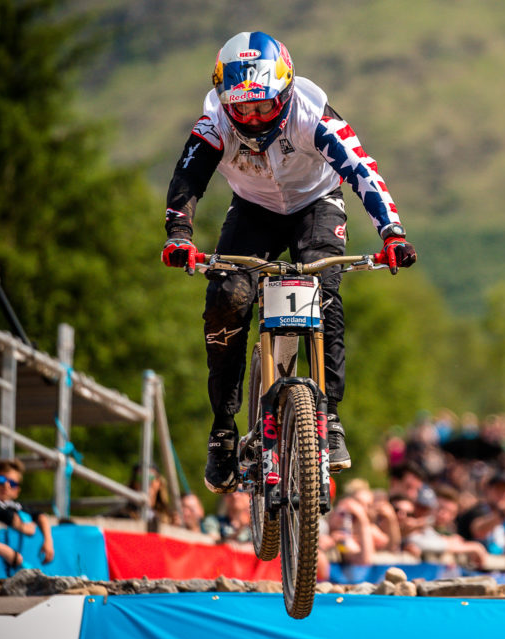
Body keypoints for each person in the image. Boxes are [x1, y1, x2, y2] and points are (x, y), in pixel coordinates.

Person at [159, 31, 417, 493]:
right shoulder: (214, 121)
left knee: (326, 290)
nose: (254, 118)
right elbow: (187, 177)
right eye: (243, 109)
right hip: (253, 209)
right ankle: (223, 430)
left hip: (317, 204)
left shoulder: (312, 114)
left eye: (264, 105)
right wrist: (179, 234)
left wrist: (391, 232)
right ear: (224, 100)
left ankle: (329, 416)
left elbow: (362, 169)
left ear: (286, 90)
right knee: (226, 298)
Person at [0, 459, 55, 571]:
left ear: (17, 491)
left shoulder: (17, 507)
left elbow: (40, 516)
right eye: (1, 479)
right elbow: (5, 515)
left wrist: (48, 541)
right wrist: (6, 551)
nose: (6, 485)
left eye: (12, 483)